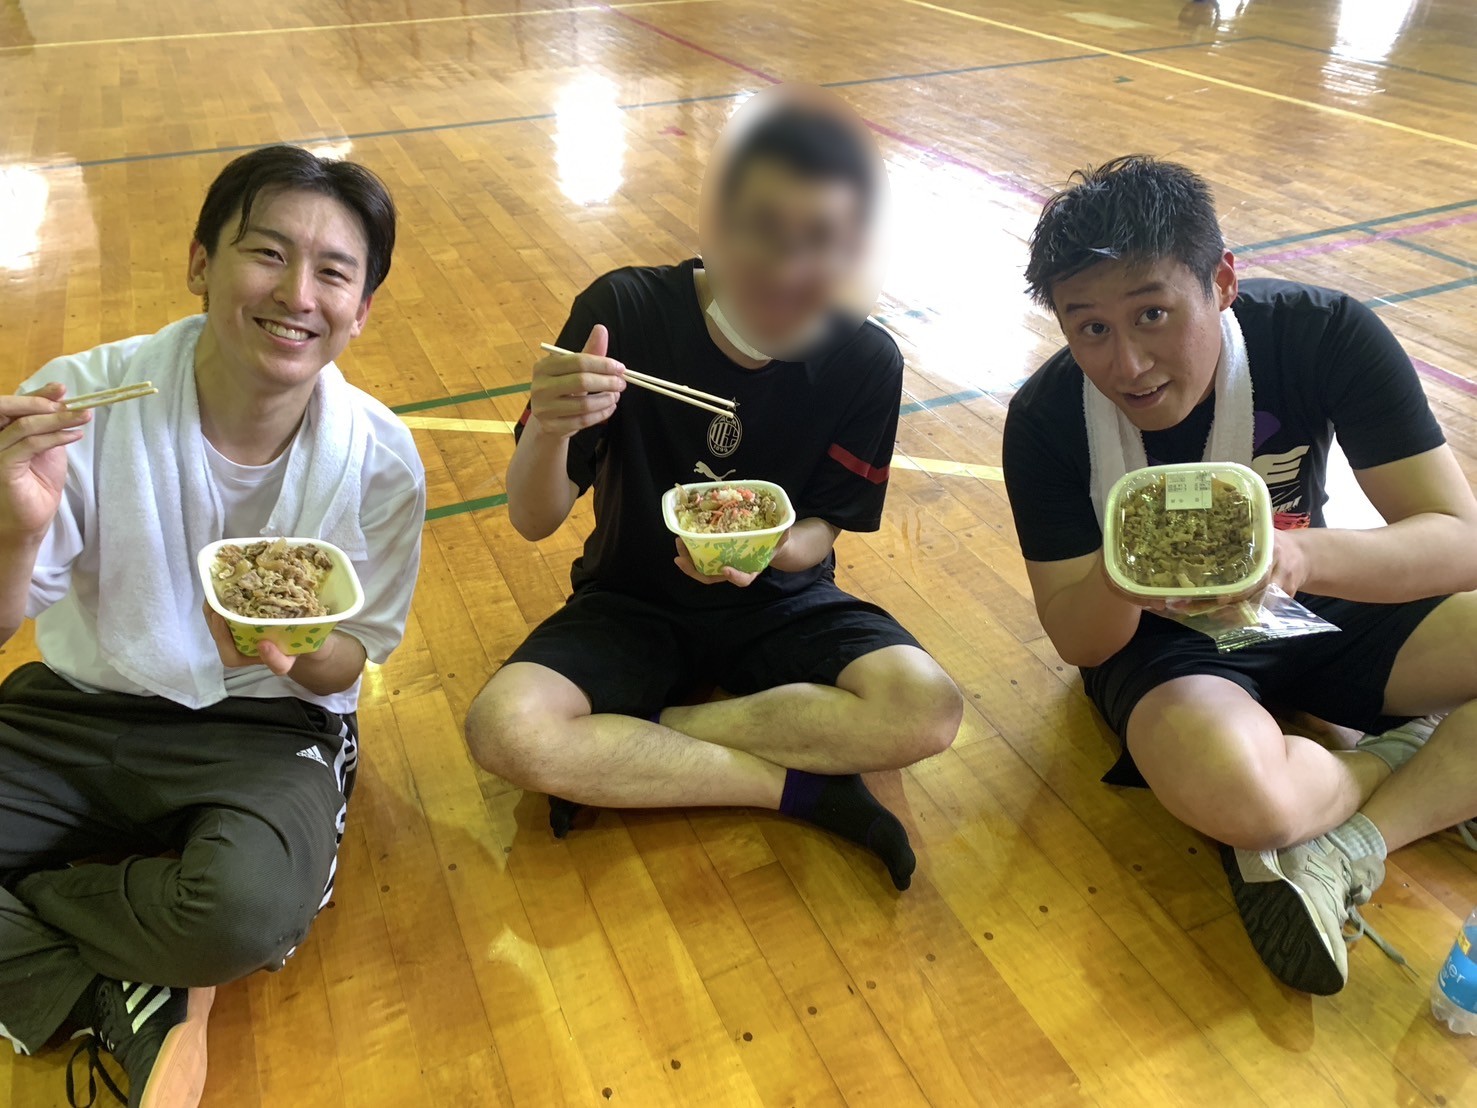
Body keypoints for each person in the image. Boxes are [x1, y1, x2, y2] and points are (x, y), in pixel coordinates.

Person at [0, 145, 425, 1106]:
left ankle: (49, 906)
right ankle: (120, 986)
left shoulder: (380, 461)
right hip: (80, 707)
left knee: (242, 915)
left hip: (265, 724)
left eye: (333, 273)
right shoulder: (84, 403)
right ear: (201, 263)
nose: (297, 295)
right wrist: (14, 530)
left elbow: (354, 658)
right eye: (266, 253)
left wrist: (298, 654)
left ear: (361, 309)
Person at [1003, 154, 1477, 995]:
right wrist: (1122, 579)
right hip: (1159, 641)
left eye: (1152, 314)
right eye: (1091, 329)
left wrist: (1300, 556)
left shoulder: (1320, 333)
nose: (1127, 363)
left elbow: (1459, 540)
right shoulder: (1045, 419)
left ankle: (1348, 845)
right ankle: (1411, 751)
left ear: (1221, 281)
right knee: (1247, 801)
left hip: (1309, 595)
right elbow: (1078, 639)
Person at [465, 89, 962, 892]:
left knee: (926, 707)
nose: (786, 268)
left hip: (781, 597)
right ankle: (796, 789)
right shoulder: (625, 311)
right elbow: (532, 518)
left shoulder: (865, 360)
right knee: (503, 729)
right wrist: (550, 428)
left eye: (820, 240)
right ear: (718, 223)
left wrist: (770, 552)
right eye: (761, 228)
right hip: (631, 598)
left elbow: (821, 528)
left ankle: (639, 737)